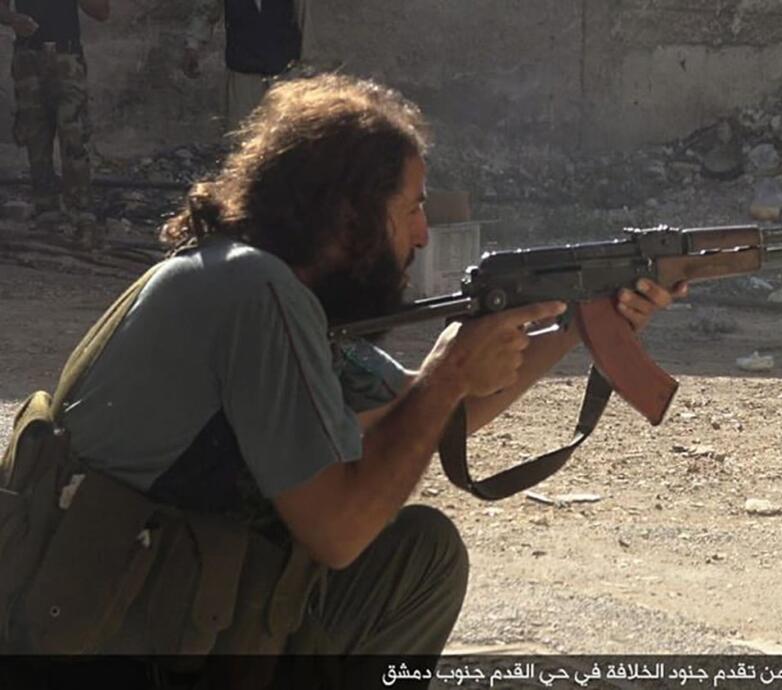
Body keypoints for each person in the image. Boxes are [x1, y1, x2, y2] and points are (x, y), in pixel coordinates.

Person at [5, 73, 685, 676]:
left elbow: (425, 417)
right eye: (410, 209)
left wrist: (582, 318)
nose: (422, 236)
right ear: (346, 215)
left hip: (131, 605)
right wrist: (446, 375)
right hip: (107, 639)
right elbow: (339, 532)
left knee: (416, 549)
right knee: (414, 562)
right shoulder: (252, 292)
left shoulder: (255, 284)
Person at [0, 0, 109, 238]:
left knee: (74, 139)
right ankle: (46, 213)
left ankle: (81, 216)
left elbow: (102, 12)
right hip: (28, 58)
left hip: (66, 58)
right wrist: (13, 19)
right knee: (35, 139)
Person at [183, 0, 313, 132]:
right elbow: (206, 10)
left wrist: (309, 66)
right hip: (243, 74)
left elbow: (308, 20)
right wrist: (192, 47)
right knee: (241, 136)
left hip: (285, 74)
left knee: (287, 136)